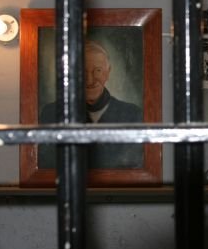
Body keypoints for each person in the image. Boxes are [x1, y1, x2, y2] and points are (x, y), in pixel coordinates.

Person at [39, 40, 143, 169]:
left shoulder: (132, 115)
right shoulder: (51, 113)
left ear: (107, 73)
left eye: (97, 70)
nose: (90, 80)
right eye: (83, 72)